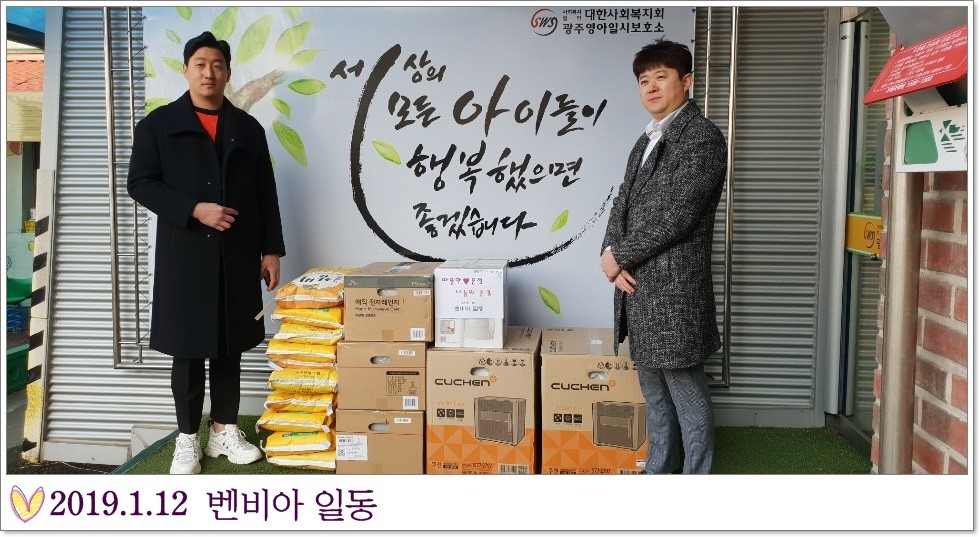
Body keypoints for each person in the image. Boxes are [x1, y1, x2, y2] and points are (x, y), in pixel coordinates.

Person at [127, 31, 286, 474]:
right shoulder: (158, 125)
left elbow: (265, 193)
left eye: (217, 65)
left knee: (230, 346)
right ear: (185, 70)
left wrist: (271, 250)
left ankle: (223, 430)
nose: (208, 72)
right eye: (200, 64)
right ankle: (186, 438)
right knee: (188, 348)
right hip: (185, 256)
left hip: (237, 253)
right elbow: (139, 183)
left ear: (228, 72)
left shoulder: (248, 129)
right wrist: (194, 209)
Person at [599, 38, 727, 474]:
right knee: (655, 395)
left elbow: (679, 215)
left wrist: (620, 255)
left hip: (674, 294)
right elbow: (622, 203)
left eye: (661, 77)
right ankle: (659, 471)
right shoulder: (646, 140)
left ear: (686, 81)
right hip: (638, 288)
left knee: (687, 396)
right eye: (643, 80)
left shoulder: (702, 137)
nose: (651, 87)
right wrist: (610, 255)